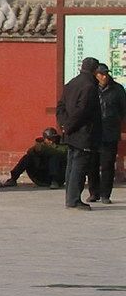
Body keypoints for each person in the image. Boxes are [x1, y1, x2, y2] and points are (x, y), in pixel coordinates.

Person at [57, 56, 102, 209]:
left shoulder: (71, 83)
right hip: (83, 133)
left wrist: (64, 125)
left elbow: (60, 107)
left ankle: (70, 198)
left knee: (71, 166)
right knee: (79, 167)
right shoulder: (89, 86)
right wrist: (70, 125)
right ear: (94, 70)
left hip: (71, 133)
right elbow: (82, 111)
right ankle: (74, 200)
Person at [86, 63, 126, 204]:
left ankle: (105, 194)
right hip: (93, 132)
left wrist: (118, 125)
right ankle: (94, 193)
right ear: (95, 75)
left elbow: (123, 110)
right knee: (92, 164)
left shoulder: (117, 89)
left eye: (105, 74)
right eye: (101, 74)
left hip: (110, 132)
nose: (104, 77)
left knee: (107, 165)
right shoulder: (91, 88)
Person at [2, 128, 67, 188]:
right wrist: (36, 150)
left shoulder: (61, 145)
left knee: (54, 157)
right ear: (45, 139)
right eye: (49, 139)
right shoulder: (42, 146)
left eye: (53, 139)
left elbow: (62, 152)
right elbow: (29, 152)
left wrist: (45, 149)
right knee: (27, 158)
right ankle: (13, 179)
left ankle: (55, 181)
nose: (51, 141)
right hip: (40, 176)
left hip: (57, 178)